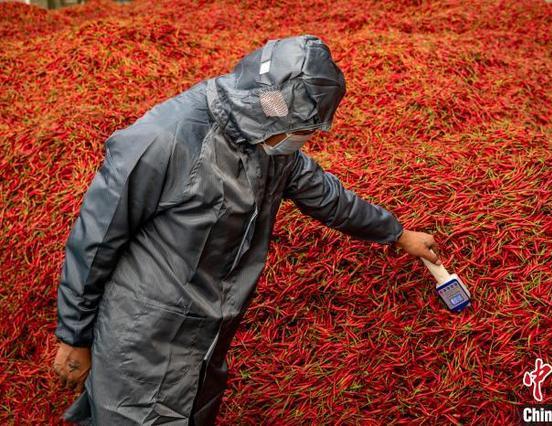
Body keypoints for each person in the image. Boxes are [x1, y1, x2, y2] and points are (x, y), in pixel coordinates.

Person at [52, 34, 441, 425]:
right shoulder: (163, 140)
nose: (302, 139)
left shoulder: (271, 145)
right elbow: (96, 240)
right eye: (302, 129)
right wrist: (74, 335)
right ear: (272, 106)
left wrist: (396, 233)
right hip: (143, 337)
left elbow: (326, 196)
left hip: (207, 334)